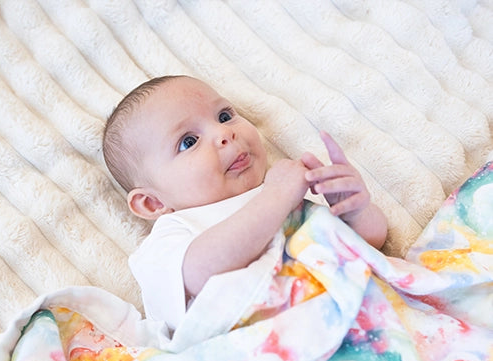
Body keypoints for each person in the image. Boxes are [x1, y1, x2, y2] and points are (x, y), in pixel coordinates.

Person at [103, 75, 388, 330]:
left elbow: (369, 245)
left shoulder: (282, 189)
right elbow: (201, 274)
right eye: (189, 141)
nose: (224, 134)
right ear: (152, 203)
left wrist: (355, 211)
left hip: (352, 320)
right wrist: (276, 197)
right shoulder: (172, 234)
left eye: (224, 116)